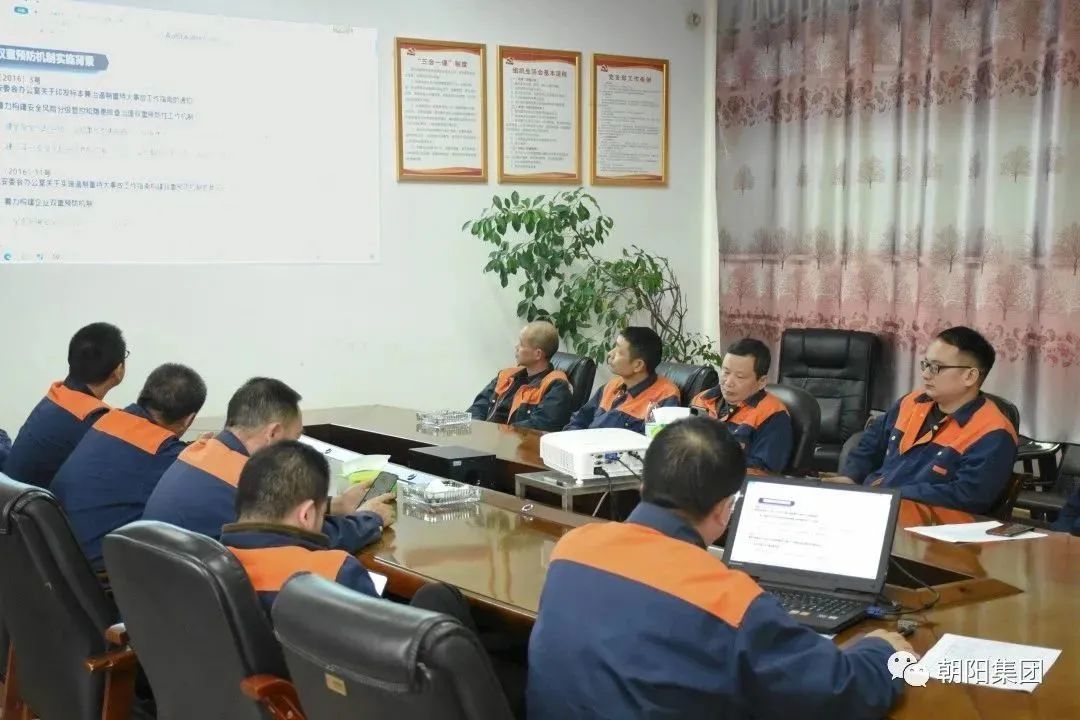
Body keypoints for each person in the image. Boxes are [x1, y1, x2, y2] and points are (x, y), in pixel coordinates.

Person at [528, 416, 909, 720]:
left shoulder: (572, 548)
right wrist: (883, 652)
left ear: (642, 484)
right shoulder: (729, 599)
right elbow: (838, 694)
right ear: (726, 509)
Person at [144, 377, 392, 550]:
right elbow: (312, 539)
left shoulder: (198, 451)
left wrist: (335, 505)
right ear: (273, 433)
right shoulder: (246, 482)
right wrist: (370, 518)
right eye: (295, 439)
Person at [830, 326, 1018, 515]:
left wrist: (892, 495)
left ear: (969, 376)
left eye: (936, 368)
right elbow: (870, 444)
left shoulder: (993, 432)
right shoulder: (911, 402)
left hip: (928, 523)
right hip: (875, 506)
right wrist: (851, 477)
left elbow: (966, 496)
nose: (926, 374)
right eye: (925, 365)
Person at [52, 363, 207, 570]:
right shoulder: (166, 455)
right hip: (96, 574)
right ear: (189, 419)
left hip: (54, 552)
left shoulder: (109, 419)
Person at [4, 322, 127, 488]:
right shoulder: (95, 420)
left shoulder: (57, 394)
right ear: (118, 370)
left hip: (11, 496)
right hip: (36, 502)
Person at [690, 338, 792, 474]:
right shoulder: (702, 399)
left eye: (740, 377)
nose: (728, 382)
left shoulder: (773, 415)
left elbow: (764, 471)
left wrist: (713, 461)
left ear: (761, 382)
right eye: (726, 372)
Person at [564, 326, 680, 434]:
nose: (610, 353)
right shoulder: (612, 385)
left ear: (638, 365)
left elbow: (655, 443)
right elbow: (578, 421)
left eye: (618, 352)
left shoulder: (665, 396)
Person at [468, 321, 574, 431]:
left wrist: (496, 434)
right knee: (456, 424)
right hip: (485, 437)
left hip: (514, 440)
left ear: (538, 354)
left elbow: (539, 426)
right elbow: (477, 408)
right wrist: (471, 431)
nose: (516, 346)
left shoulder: (556, 385)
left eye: (522, 344)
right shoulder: (506, 375)